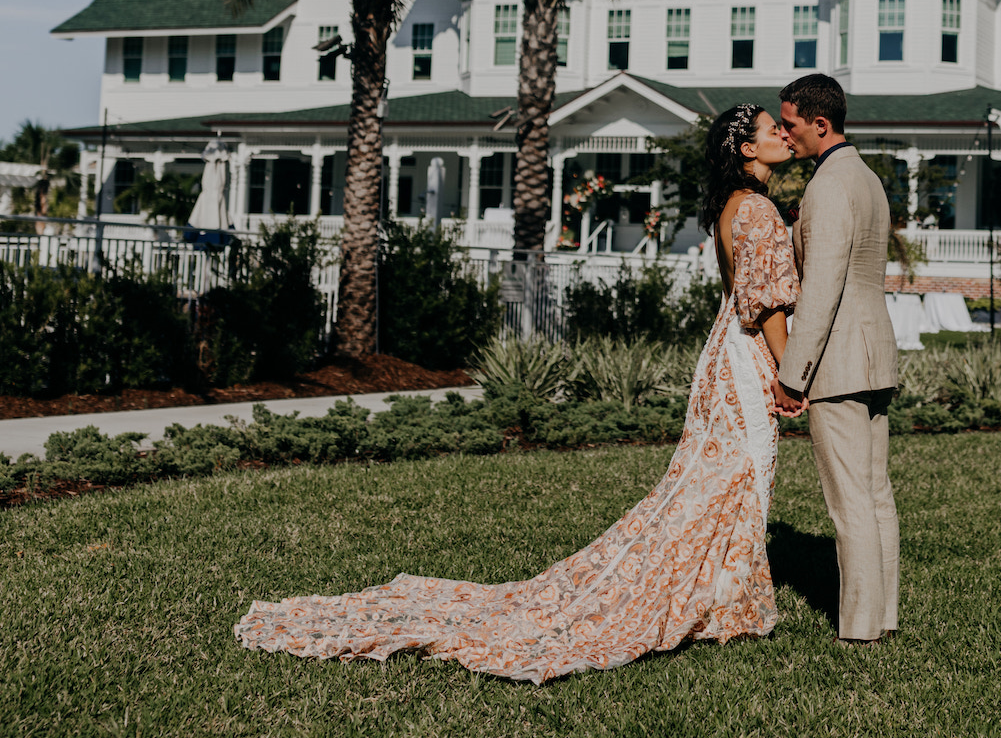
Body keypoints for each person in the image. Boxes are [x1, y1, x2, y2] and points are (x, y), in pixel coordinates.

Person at [234, 103, 805, 684]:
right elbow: (766, 302)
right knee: (742, 473)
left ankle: (724, 594)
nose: (784, 135)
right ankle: (724, 599)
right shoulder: (756, 207)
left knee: (717, 480)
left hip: (721, 352)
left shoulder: (730, 207)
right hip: (749, 353)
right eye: (772, 130)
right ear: (747, 149)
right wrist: (789, 374)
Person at [773, 73, 900, 646]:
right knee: (875, 494)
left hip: (840, 359)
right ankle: (883, 613)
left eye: (792, 124)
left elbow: (821, 287)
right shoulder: (869, 180)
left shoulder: (826, 186)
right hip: (877, 352)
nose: (786, 133)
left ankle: (859, 626)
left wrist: (792, 375)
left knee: (850, 500)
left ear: (820, 124)